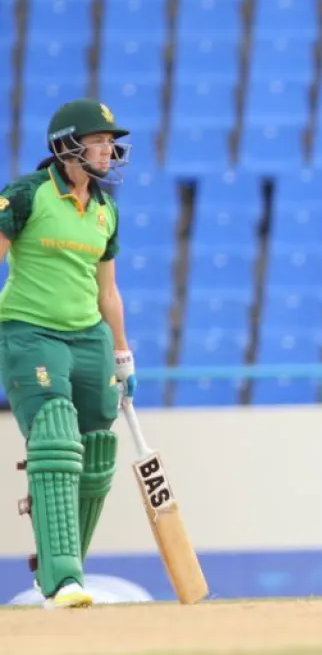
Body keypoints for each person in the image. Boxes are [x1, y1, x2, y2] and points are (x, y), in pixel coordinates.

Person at [0, 98, 138, 609]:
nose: (107, 150)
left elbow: (108, 293)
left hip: (89, 337)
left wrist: (122, 354)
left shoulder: (105, 208)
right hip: (30, 332)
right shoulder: (26, 194)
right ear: (65, 148)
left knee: (97, 448)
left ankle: (59, 563)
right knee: (55, 430)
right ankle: (62, 579)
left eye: (109, 142)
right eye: (97, 141)